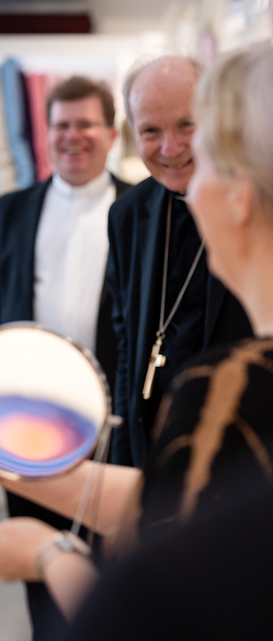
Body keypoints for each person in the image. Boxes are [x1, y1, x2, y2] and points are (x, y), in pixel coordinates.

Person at [0, 44, 273, 626]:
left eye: (199, 148)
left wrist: (50, 557)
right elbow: (165, 502)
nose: (178, 165)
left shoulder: (233, 386)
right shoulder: (118, 218)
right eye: (152, 131)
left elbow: (164, 607)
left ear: (240, 197)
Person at [0, 75, 130, 640]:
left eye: (85, 124)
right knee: (39, 570)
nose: (72, 136)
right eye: (61, 125)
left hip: (116, 426)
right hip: (29, 423)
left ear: (111, 133)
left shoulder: (141, 207)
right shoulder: (10, 211)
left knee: (116, 570)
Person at [106, 55, 252, 469]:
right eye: (151, 131)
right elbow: (127, 346)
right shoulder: (127, 214)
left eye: (186, 124)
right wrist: (124, 462)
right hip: (154, 452)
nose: (170, 148)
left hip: (242, 453)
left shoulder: (258, 204)